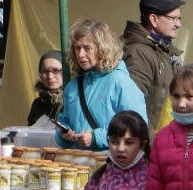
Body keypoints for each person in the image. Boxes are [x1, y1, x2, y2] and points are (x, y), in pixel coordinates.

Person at [55, 19, 147, 151]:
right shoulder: (72, 86)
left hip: (111, 164)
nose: (81, 55)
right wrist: (64, 133)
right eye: (77, 48)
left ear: (103, 49)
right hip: (78, 164)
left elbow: (136, 125)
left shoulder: (119, 81)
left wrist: (96, 137)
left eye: (87, 48)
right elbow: (64, 120)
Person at [123, 0, 185, 138]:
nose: (179, 24)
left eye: (179, 18)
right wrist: (153, 144)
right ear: (154, 19)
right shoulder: (139, 53)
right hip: (150, 144)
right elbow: (133, 108)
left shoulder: (164, 49)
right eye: (173, 18)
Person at [28, 51, 64, 126]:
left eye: (56, 71)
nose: (50, 76)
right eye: (45, 71)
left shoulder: (74, 101)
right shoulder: (38, 103)